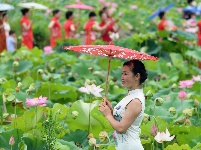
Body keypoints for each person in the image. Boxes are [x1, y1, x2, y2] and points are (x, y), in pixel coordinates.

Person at [99, 60, 147, 150]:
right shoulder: (130, 95)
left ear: (137, 76)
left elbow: (121, 128)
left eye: (125, 74)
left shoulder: (136, 100)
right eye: (122, 73)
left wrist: (107, 114)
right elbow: (122, 118)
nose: (122, 77)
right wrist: (110, 109)